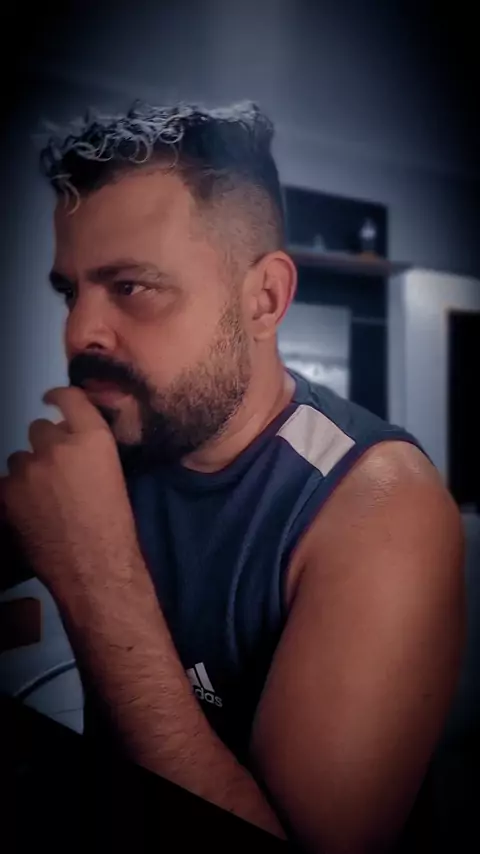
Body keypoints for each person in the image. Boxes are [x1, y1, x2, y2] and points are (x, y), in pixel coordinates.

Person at [0, 101, 465, 853]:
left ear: (263, 300)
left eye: (131, 286)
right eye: (70, 291)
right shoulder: (127, 435)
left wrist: (96, 578)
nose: (79, 332)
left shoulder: (379, 505)